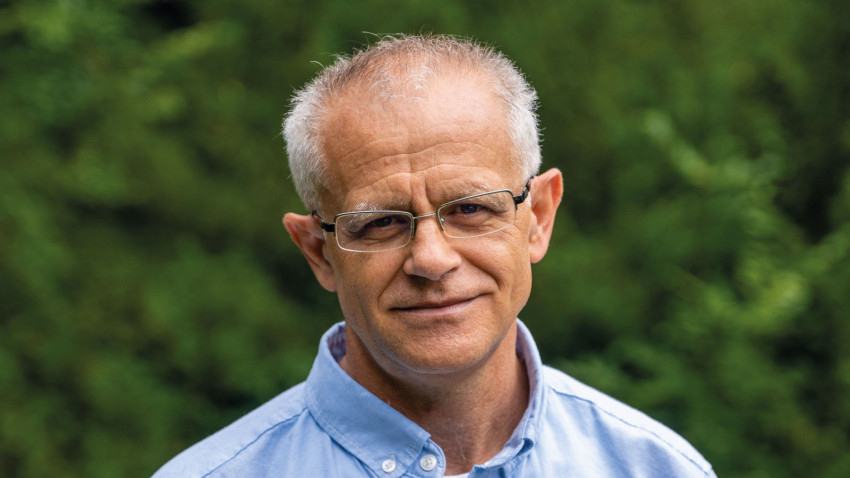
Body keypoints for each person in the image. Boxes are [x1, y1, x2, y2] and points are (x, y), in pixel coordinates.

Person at [153, 34, 716, 478]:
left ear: (539, 218)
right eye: (381, 222)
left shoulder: (656, 468)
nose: (431, 259)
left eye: (471, 209)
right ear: (319, 252)